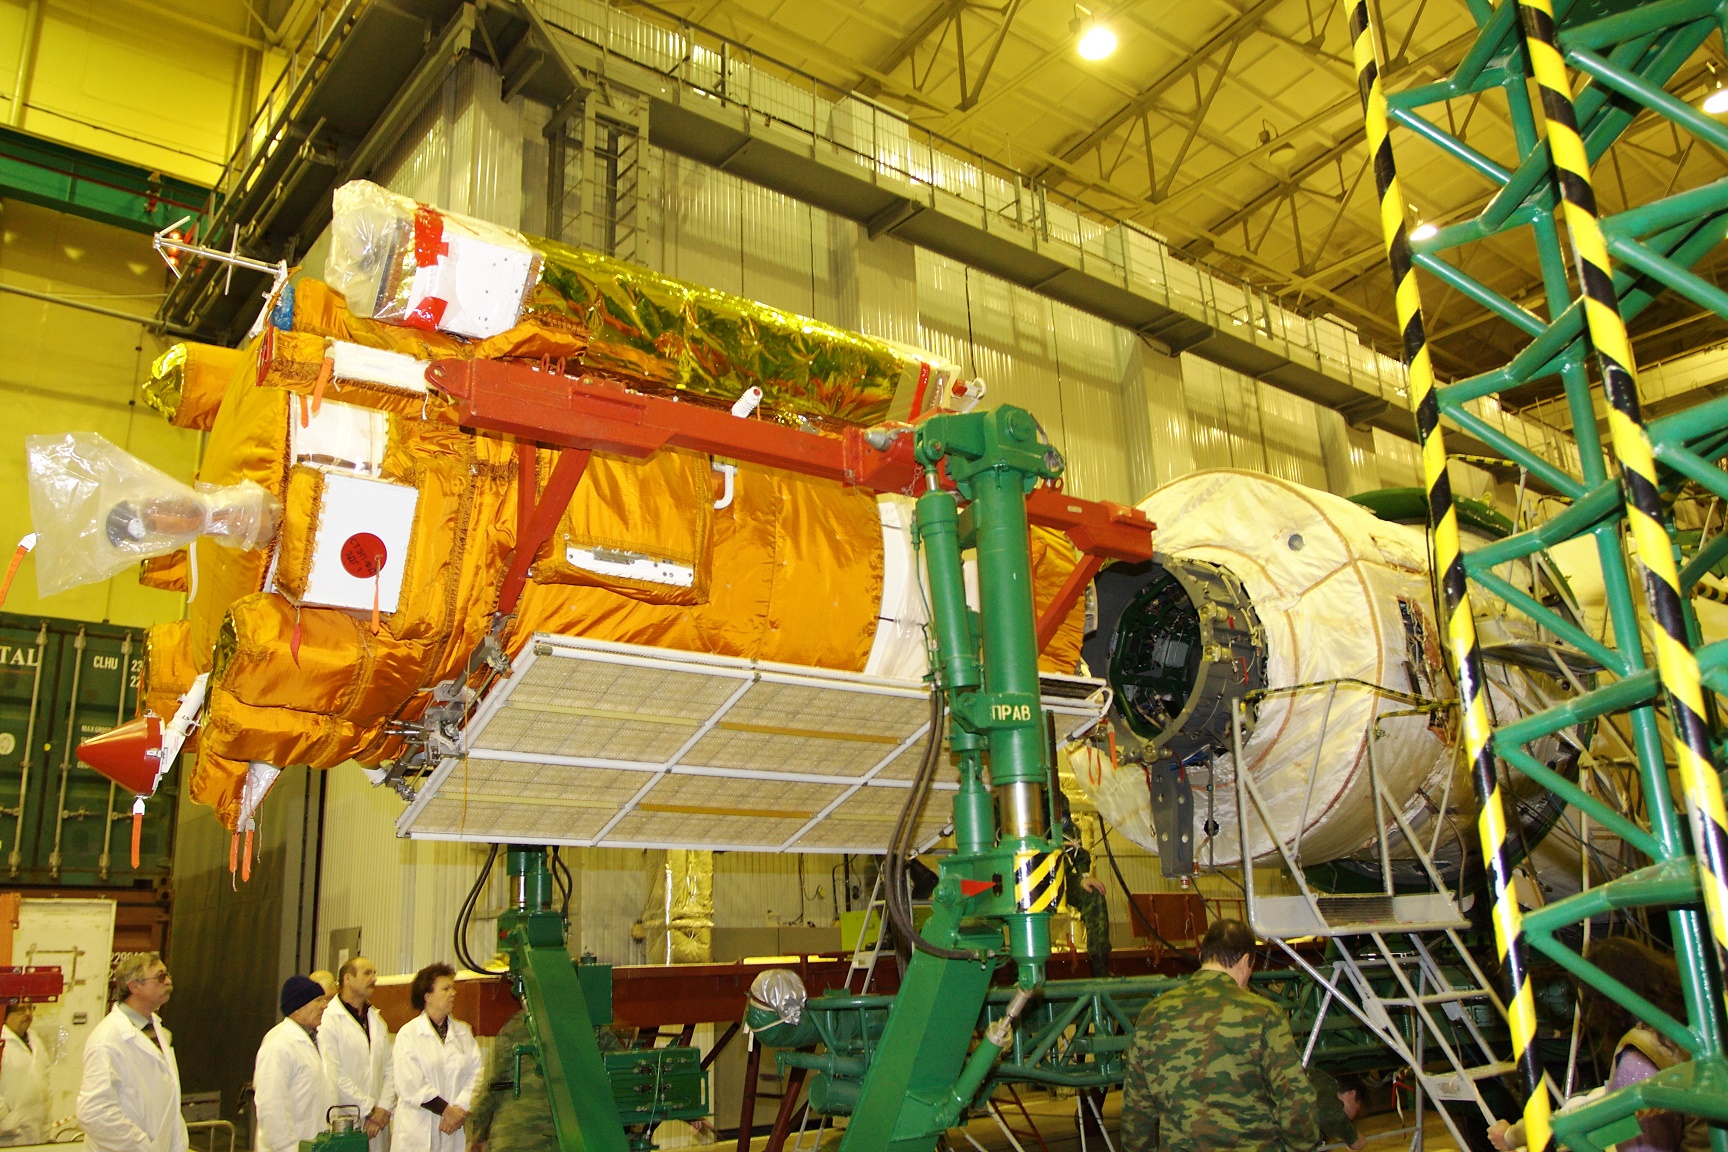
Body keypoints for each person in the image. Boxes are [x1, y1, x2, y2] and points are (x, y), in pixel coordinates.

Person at [1489, 937, 1706, 1152]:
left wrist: (1516, 1138)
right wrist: (1515, 1135)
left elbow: (1642, 1145)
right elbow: (1601, 1102)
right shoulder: (1684, 1029)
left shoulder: (1637, 1056)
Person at [1120, 919, 1319, 1152]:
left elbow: (1136, 1112)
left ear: (1201, 956)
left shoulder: (1152, 1014)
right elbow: (1296, 1101)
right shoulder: (1264, 1014)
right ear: (1245, 962)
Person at [76, 952, 188, 1152]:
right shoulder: (107, 1040)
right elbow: (94, 1112)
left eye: (167, 974)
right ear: (134, 986)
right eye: (160, 976)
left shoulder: (156, 1030)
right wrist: (142, 1146)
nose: (168, 981)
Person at [392, 964, 480, 1152]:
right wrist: (446, 1111)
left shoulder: (463, 1032)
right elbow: (410, 1083)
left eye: (453, 988)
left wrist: (459, 1109)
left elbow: (477, 1074)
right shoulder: (408, 1034)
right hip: (419, 1127)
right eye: (446, 989)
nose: (453, 993)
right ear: (427, 997)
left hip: (453, 1127)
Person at [254, 976, 336, 1152]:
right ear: (298, 1007)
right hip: (288, 1147)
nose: (325, 1006)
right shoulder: (278, 1043)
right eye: (318, 1000)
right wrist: (286, 1147)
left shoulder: (318, 1039)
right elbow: (271, 1104)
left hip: (316, 1143)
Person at [323, 956, 395, 1151]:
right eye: (367, 973)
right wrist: (369, 1109)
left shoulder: (377, 1021)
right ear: (348, 979)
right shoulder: (328, 1020)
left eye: (374, 973)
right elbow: (334, 1073)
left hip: (377, 1125)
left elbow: (391, 1069)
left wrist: (383, 1110)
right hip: (344, 1120)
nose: (374, 979)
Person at [1056, 793, 1112, 977]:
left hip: (1057, 877)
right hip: (1014, 880)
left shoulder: (1054, 797)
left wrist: (1083, 875)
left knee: (1093, 894)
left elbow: (1071, 838)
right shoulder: (1001, 799)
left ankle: (1100, 969)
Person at [0, 1000, 50, 1145]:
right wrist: (7, 1119)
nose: (28, 1014)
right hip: (10, 1135)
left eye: (30, 1008)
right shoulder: (2, 1043)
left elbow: (46, 1075)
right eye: (21, 1010)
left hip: (38, 1130)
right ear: (5, 1014)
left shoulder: (34, 1039)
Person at [1308, 1068, 1368, 1151]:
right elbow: (1326, 1115)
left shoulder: (1316, 1080)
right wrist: (1352, 1137)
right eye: (1356, 1108)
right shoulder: (1325, 1085)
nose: (1354, 1116)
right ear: (1351, 1094)